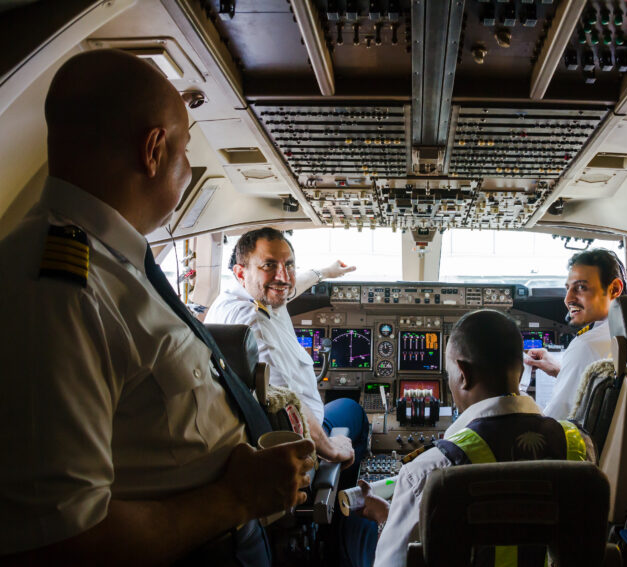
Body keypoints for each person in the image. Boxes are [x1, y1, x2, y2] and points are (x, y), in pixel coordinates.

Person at [0, 49, 314, 565]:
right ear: (153, 151)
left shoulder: (118, 267)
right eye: (185, 151)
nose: (187, 169)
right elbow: (63, 540)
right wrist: (236, 498)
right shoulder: (57, 290)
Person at [351, 309, 594, 567]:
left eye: (449, 375)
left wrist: (389, 519)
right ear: (522, 371)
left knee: (355, 538)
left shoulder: (430, 470)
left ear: (463, 374)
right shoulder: (579, 445)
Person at [206, 227, 369, 473]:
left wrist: (324, 272)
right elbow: (288, 405)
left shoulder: (238, 296)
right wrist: (331, 448)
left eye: (289, 265)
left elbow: (288, 288)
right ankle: (345, 490)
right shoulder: (255, 327)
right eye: (269, 265)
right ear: (240, 272)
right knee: (352, 409)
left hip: (256, 433)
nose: (283, 277)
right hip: (300, 439)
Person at [524, 248, 627, 420]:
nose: (568, 299)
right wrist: (560, 371)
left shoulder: (586, 345)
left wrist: (517, 395)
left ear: (614, 289)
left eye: (581, 287)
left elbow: (554, 421)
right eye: (568, 289)